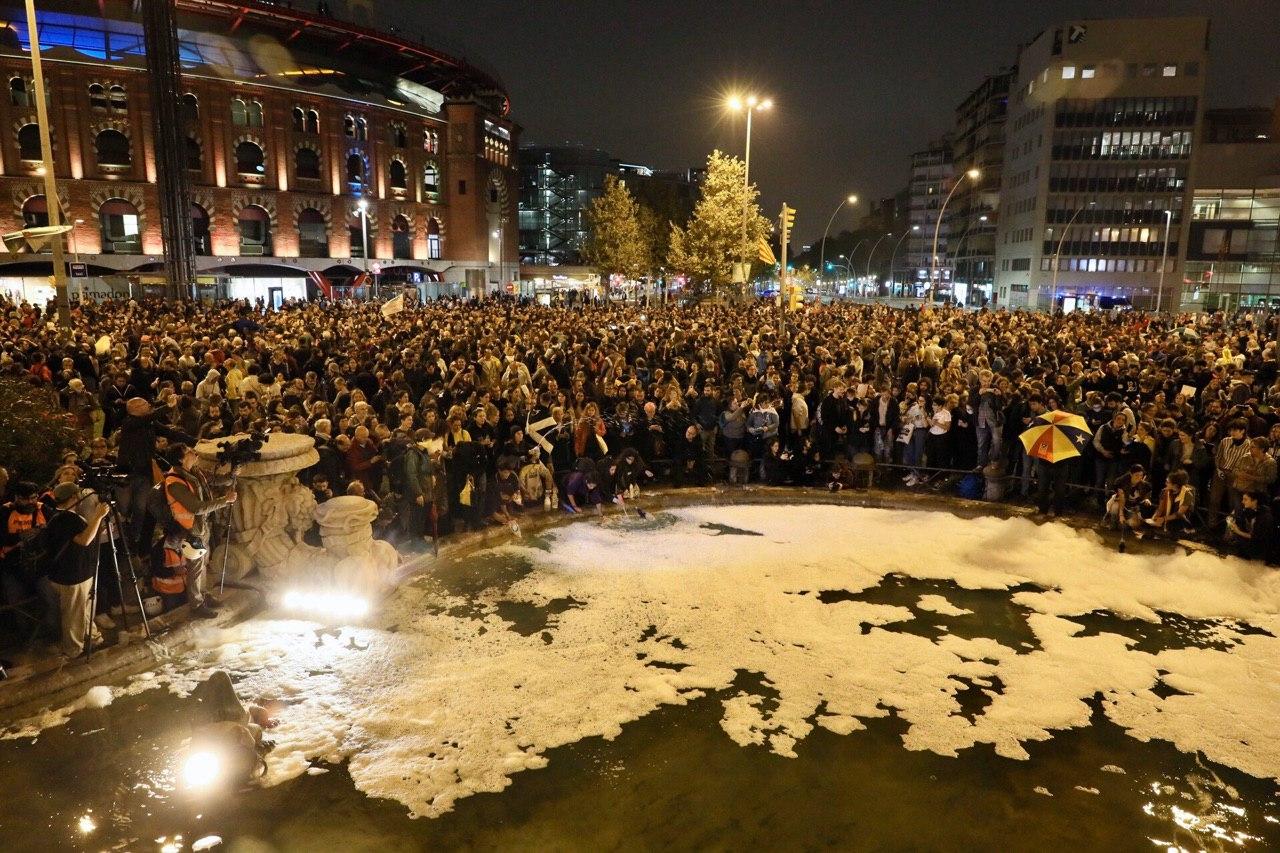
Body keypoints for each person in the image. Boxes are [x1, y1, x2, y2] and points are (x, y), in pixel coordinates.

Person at [154, 444, 237, 618]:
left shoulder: (195, 472)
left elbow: (215, 480)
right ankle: (197, 604)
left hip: (201, 526)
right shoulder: (174, 482)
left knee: (202, 564)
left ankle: (204, 595)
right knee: (195, 568)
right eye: (190, 452)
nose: (195, 453)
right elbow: (196, 507)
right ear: (181, 459)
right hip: (189, 529)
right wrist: (225, 500)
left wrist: (233, 473)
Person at [40, 482, 110, 657]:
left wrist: (97, 524)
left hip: (75, 573)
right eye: (78, 495)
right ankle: (73, 650)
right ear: (72, 497)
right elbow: (84, 540)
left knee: (84, 610)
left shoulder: (58, 516)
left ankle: (92, 638)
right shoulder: (66, 519)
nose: (80, 498)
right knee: (74, 616)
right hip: (73, 576)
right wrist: (99, 516)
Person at [1226, 491, 1277, 562]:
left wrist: (1237, 531)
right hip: (1253, 543)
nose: (1242, 501)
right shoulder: (1250, 510)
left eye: (1245, 499)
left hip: (1261, 549)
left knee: (1238, 540)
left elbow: (1255, 536)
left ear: (1254, 501)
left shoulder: (1265, 516)